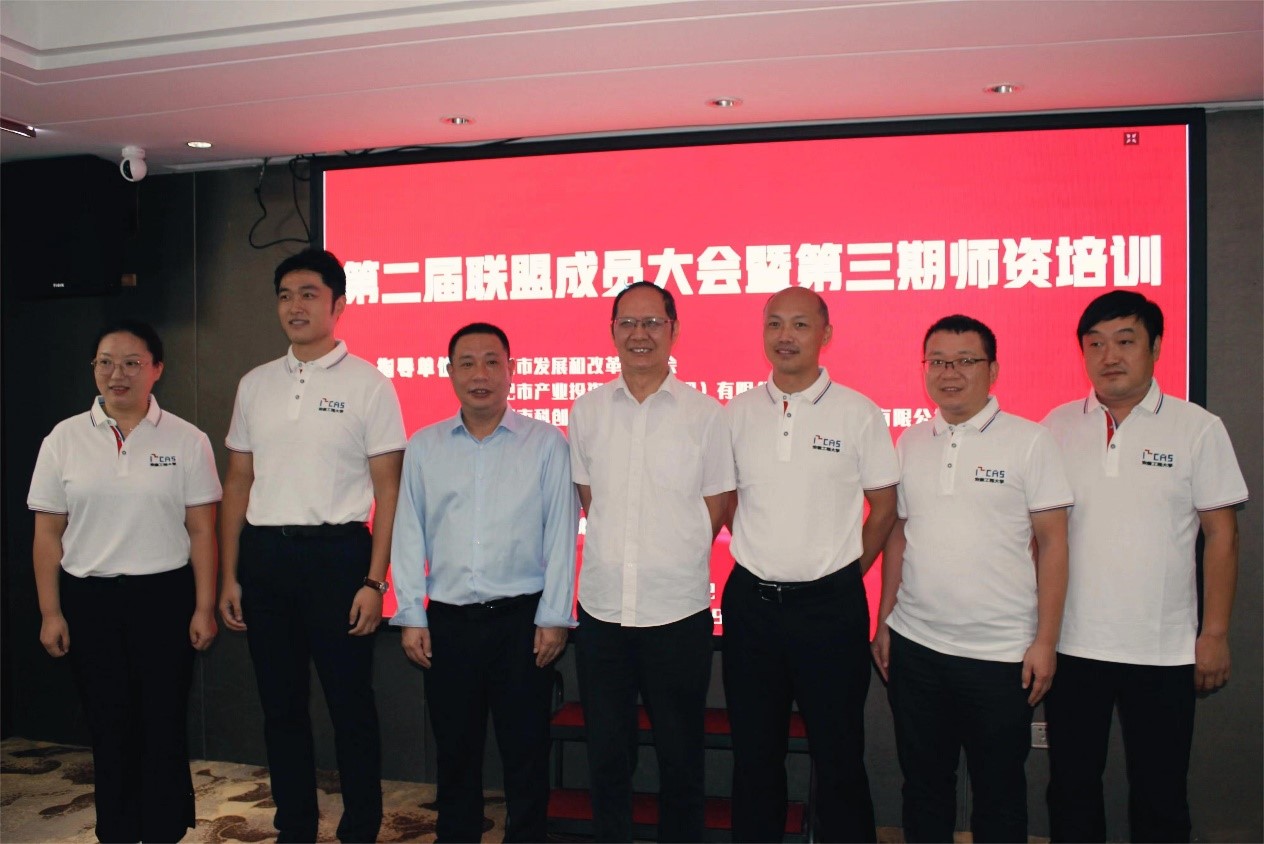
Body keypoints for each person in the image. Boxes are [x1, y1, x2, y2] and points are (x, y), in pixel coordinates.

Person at [1042, 291, 1247, 843]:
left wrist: (1214, 634)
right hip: (1072, 645)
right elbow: (1040, 536)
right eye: (1095, 344)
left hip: (1163, 649)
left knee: (1160, 793)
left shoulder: (1197, 427)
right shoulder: (1055, 427)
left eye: (1125, 341)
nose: (1109, 356)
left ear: (1155, 347)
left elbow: (1222, 535)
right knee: (1071, 789)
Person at [218, 248, 406, 843]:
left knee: (351, 704)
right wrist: (230, 575)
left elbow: (388, 488)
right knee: (281, 707)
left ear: (338, 304)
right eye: (284, 295)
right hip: (265, 558)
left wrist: (375, 580)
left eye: (308, 294)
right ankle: (294, 825)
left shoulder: (369, 384)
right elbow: (238, 482)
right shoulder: (254, 384)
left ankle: (361, 826)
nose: (294, 306)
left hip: (339, 558)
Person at [871, 314, 1071, 843]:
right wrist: (885, 618)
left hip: (1001, 656)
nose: (949, 373)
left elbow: (1053, 543)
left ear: (993, 369)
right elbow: (899, 533)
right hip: (917, 647)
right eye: (938, 361)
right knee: (924, 789)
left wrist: (1046, 641)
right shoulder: (911, 441)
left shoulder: (1031, 442)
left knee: (999, 795)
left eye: (965, 361)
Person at [28, 319, 222, 843]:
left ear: (157, 369)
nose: (118, 374)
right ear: (93, 368)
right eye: (106, 362)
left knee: (162, 721)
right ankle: (116, 830)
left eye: (133, 363)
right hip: (90, 600)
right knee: (108, 724)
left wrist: (204, 607)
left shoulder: (188, 439)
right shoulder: (64, 438)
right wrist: (50, 612)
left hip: (164, 598)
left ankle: (163, 829)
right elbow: (47, 534)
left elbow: (202, 530)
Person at [391, 322, 578, 842]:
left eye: (493, 362)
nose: (480, 374)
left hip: (522, 623)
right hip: (448, 625)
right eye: (467, 363)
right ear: (449, 372)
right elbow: (408, 532)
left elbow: (562, 534)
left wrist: (554, 616)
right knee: (455, 755)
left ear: (511, 370)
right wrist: (411, 613)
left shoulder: (546, 444)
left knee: (526, 754)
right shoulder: (425, 446)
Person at [724, 286, 899, 842]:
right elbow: (726, 501)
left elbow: (885, 506)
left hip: (830, 609)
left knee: (839, 754)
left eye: (800, 324)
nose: (785, 336)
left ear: (826, 334)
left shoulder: (858, 412)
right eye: (774, 323)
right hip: (751, 606)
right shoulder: (737, 413)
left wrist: (845, 571)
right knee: (755, 756)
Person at [568, 280, 734, 842]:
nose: (640, 334)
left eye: (652, 323)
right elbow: (591, 499)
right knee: (607, 758)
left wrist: (669, 551)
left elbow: (716, 504)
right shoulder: (588, 410)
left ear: (674, 330)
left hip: (677, 613)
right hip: (603, 613)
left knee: (681, 758)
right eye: (628, 323)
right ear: (613, 331)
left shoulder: (705, 415)